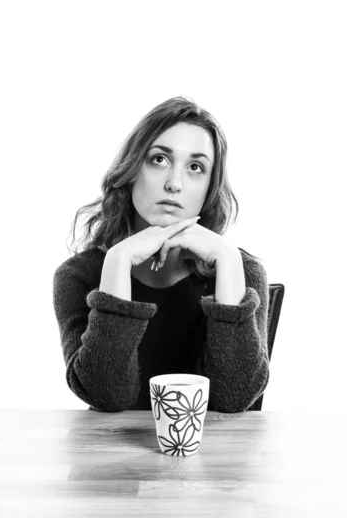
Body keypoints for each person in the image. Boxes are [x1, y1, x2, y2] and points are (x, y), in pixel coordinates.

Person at [52, 96, 270, 413]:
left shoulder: (239, 270)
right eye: (159, 160)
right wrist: (117, 263)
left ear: (210, 188)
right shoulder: (78, 276)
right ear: (131, 169)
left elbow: (232, 401)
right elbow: (106, 397)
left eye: (196, 167)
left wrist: (229, 263)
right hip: (113, 459)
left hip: (211, 460)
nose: (174, 183)